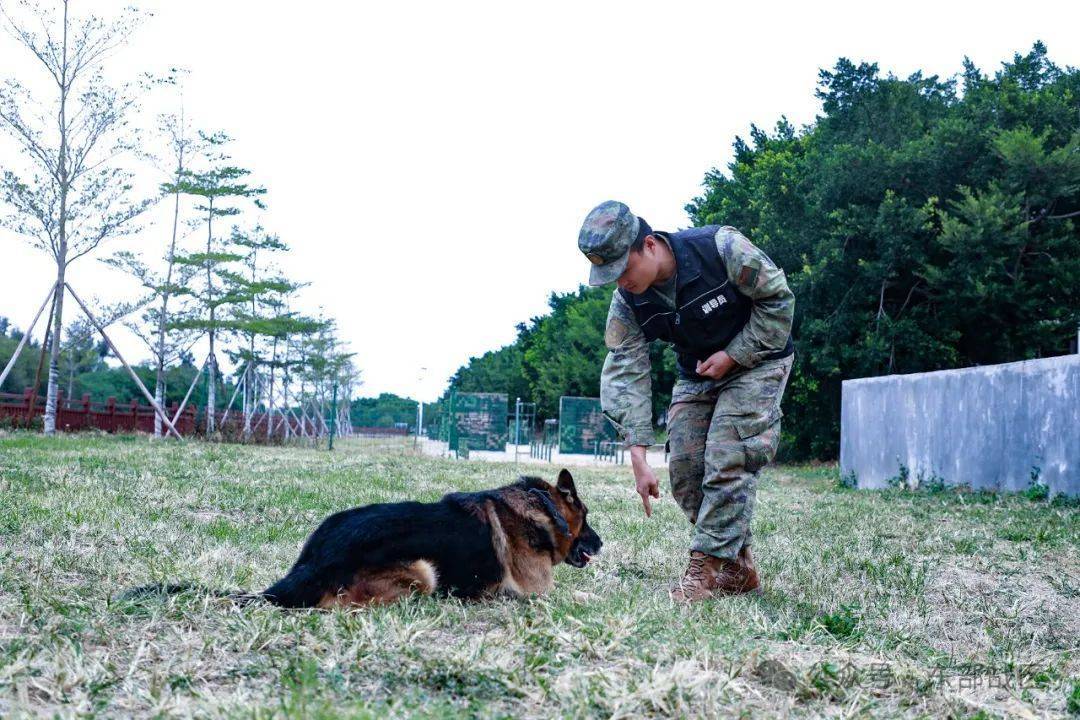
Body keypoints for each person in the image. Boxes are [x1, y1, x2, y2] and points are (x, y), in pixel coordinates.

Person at [578, 200, 795, 602]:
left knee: (729, 454)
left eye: (624, 269)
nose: (621, 281)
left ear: (649, 245)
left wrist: (735, 354)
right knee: (685, 468)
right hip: (698, 375)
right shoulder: (628, 301)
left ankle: (704, 569)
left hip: (759, 360)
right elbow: (626, 370)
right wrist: (638, 452)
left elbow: (779, 300)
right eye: (611, 275)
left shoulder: (720, 248)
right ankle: (738, 568)